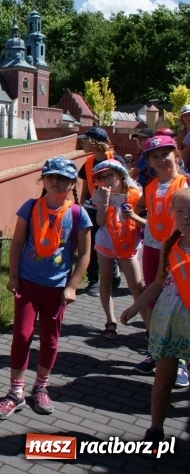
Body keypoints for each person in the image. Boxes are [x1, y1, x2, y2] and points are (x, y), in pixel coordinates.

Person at [0, 157, 91, 420]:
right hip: (28, 284)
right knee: (22, 336)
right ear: (43, 180)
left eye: (63, 178)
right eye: (50, 176)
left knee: (50, 339)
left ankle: (41, 387)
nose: (55, 181)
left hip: (57, 289)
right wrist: (13, 276)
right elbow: (18, 242)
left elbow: (84, 255)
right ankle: (15, 393)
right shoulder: (31, 207)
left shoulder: (79, 214)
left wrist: (72, 286)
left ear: (71, 184)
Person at [121, 188, 190, 443]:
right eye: (180, 211)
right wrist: (134, 306)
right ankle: (155, 428)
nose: (186, 216)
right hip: (169, 322)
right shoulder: (170, 244)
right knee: (163, 380)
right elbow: (159, 283)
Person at [125, 136, 189, 386]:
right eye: (155, 156)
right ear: (149, 162)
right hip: (153, 247)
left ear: (176, 155)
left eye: (166, 154)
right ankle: (155, 351)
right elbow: (142, 207)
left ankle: (181, 361)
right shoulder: (150, 187)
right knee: (154, 299)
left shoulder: (186, 183)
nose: (161, 160)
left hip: (181, 249)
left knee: (182, 300)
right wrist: (131, 212)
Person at [90, 161, 144, 340]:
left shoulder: (136, 192)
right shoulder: (100, 194)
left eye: (110, 175)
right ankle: (110, 321)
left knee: (137, 287)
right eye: (102, 177)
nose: (106, 180)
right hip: (107, 242)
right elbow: (100, 222)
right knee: (105, 281)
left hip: (128, 243)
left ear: (120, 174)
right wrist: (104, 202)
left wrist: (133, 216)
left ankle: (150, 327)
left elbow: (143, 218)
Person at [77, 127, 126, 297]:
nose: (82, 142)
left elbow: (125, 183)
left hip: (112, 206)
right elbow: (85, 185)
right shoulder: (88, 162)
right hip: (92, 206)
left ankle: (113, 271)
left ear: (95, 142)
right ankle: (93, 279)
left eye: (85, 139)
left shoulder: (116, 160)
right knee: (91, 243)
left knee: (109, 241)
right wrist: (82, 203)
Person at [178, 105, 190, 170]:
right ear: (182, 118)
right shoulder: (181, 134)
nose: (188, 117)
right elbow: (179, 152)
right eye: (185, 115)